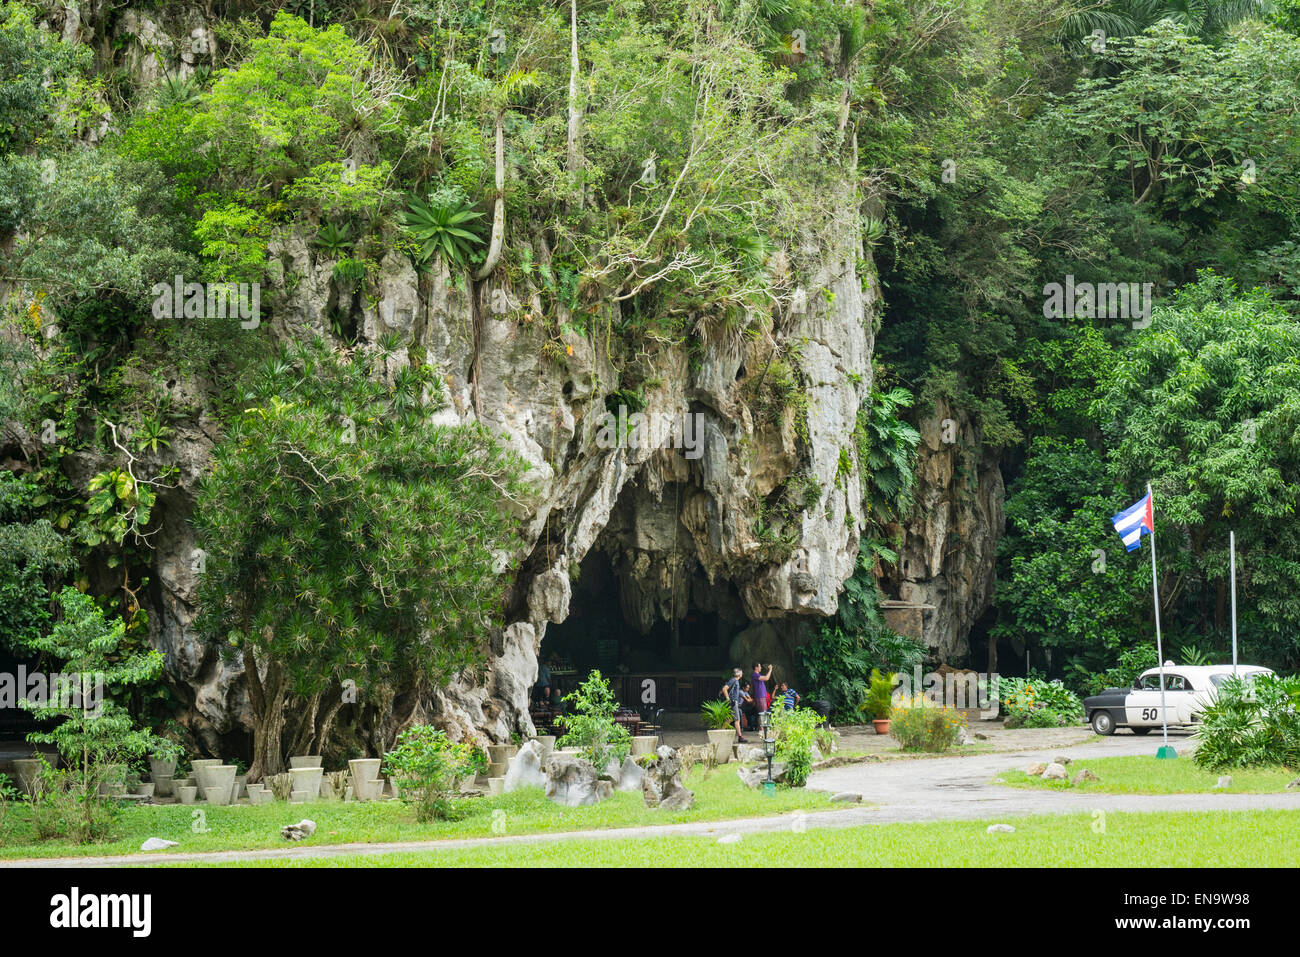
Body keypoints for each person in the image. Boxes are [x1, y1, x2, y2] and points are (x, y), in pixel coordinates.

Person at [719, 667, 748, 744]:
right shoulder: (733, 680)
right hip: (732, 702)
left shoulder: (735, 681)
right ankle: (740, 737)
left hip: (733, 702)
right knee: (737, 719)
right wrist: (728, 698)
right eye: (741, 672)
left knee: (729, 719)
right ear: (739, 674)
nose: (742, 674)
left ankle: (720, 733)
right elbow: (724, 689)